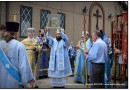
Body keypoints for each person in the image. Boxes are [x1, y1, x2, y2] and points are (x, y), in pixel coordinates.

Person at [0, 22, 35, 88]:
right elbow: (23, 66)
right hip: (15, 82)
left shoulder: (0, 44)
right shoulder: (19, 45)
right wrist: (29, 79)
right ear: (16, 33)